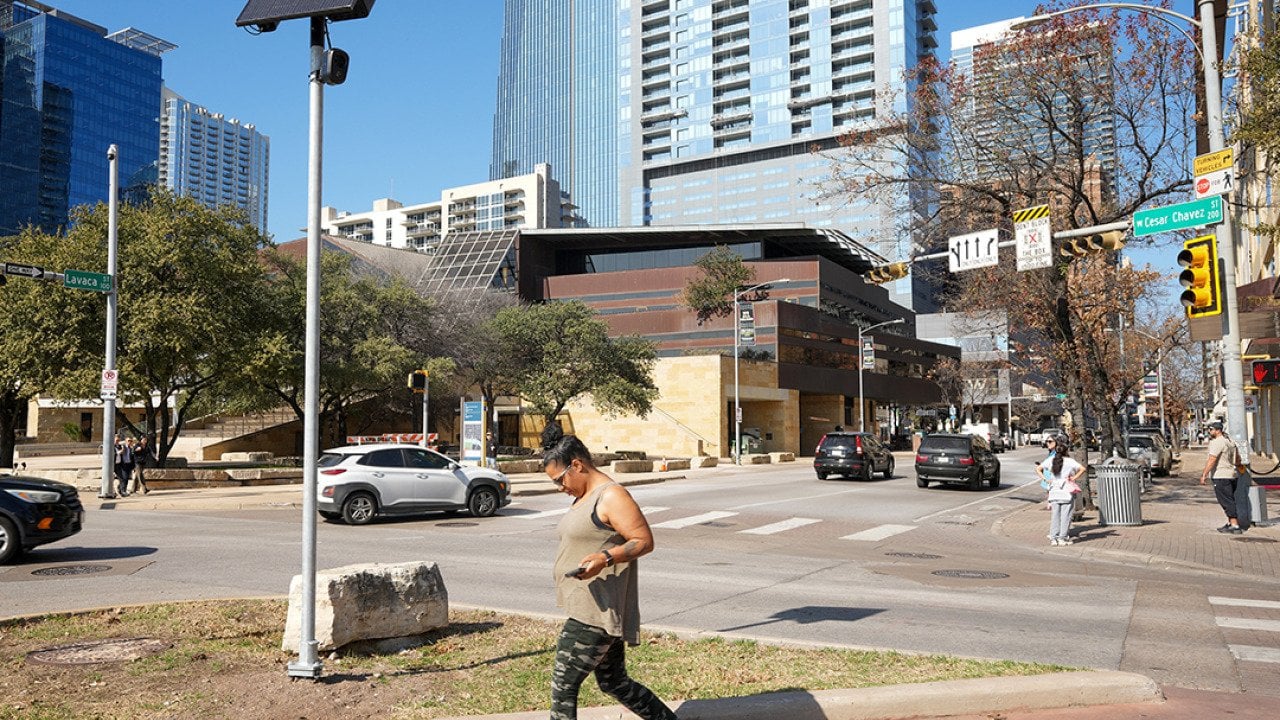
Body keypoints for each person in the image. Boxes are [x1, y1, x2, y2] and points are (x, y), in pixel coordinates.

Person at [541, 423, 677, 720]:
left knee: (563, 687)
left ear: (576, 465)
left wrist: (606, 557)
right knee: (614, 682)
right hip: (589, 605)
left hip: (596, 613)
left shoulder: (611, 496)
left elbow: (643, 541)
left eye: (559, 480)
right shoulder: (584, 496)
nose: (560, 488)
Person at [1200, 421, 1249, 534]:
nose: (1209, 431)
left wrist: (1204, 475)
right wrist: (1239, 467)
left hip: (1221, 476)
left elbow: (1212, 459)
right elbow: (1237, 459)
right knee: (1229, 499)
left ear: (1218, 431)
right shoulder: (1230, 442)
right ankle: (1229, 523)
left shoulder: (1217, 442)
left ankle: (1234, 525)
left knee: (1226, 501)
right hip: (1232, 475)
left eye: (1211, 429)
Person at [1036, 434, 1085, 546]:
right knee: (1066, 516)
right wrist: (1073, 478)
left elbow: (1038, 469)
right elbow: (1082, 469)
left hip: (1054, 490)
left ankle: (1054, 538)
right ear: (1066, 450)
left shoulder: (1051, 460)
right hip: (1066, 491)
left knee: (1055, 516)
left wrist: (1046, 479)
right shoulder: (1070, 461)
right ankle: (1062, 538)